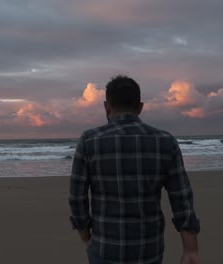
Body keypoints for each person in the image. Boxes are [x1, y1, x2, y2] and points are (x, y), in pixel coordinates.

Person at [69, 75, 200, 264]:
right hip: (148, 249)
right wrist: (191, 249)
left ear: (107, 106)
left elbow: (77, 197)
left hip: (105, 248)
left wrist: (85, 235)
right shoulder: (164, 141)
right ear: (140, 107)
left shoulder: (89, 140)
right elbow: (181, 198)